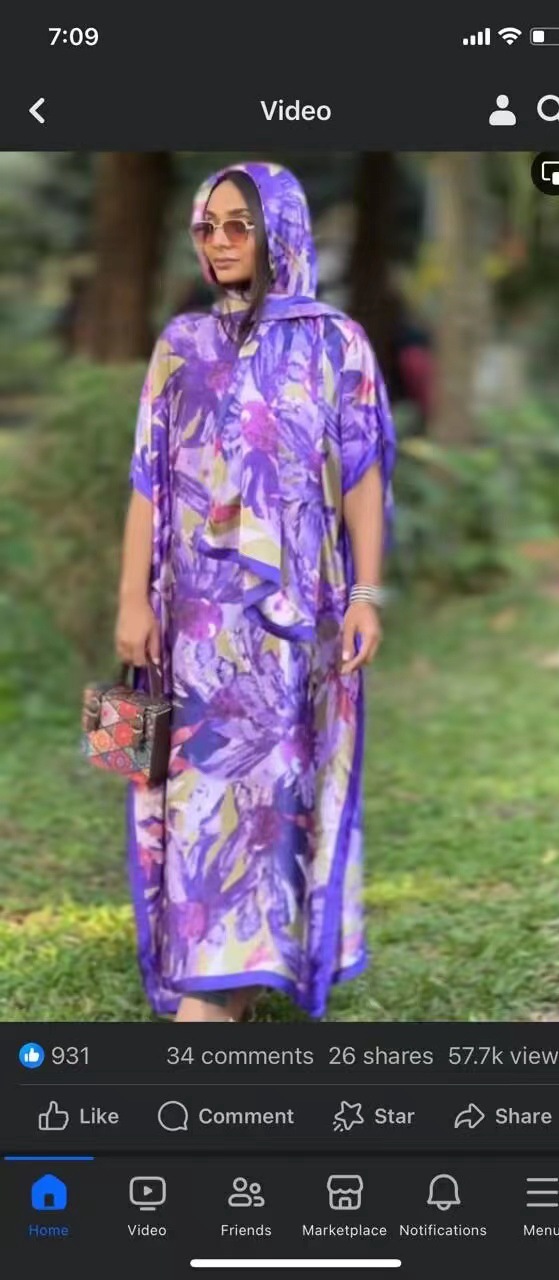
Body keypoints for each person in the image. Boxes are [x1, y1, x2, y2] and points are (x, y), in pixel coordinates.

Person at [115, 161, 396, 1023]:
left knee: (275, 788)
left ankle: (244, 971)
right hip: (190, 616)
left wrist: (367, 593)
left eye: (239, 224)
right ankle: (210, 976)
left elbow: (361, 472)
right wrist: (130, 601)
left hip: (291, 618)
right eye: (206, 226)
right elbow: (148, 480)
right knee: (192, 785)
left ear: (280, 230)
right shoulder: (181, 344)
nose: (220, 242)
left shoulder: (336, 342)